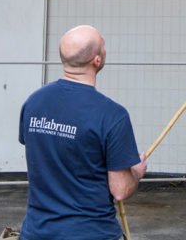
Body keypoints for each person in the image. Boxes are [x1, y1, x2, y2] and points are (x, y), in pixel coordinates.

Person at [18, 25, 147, 240]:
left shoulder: (33, 103)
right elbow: (120, 190)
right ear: (97, 60)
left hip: (36, 233)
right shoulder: (113, 115)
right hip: (92, 233)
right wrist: (137, 172)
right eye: (103, 46)